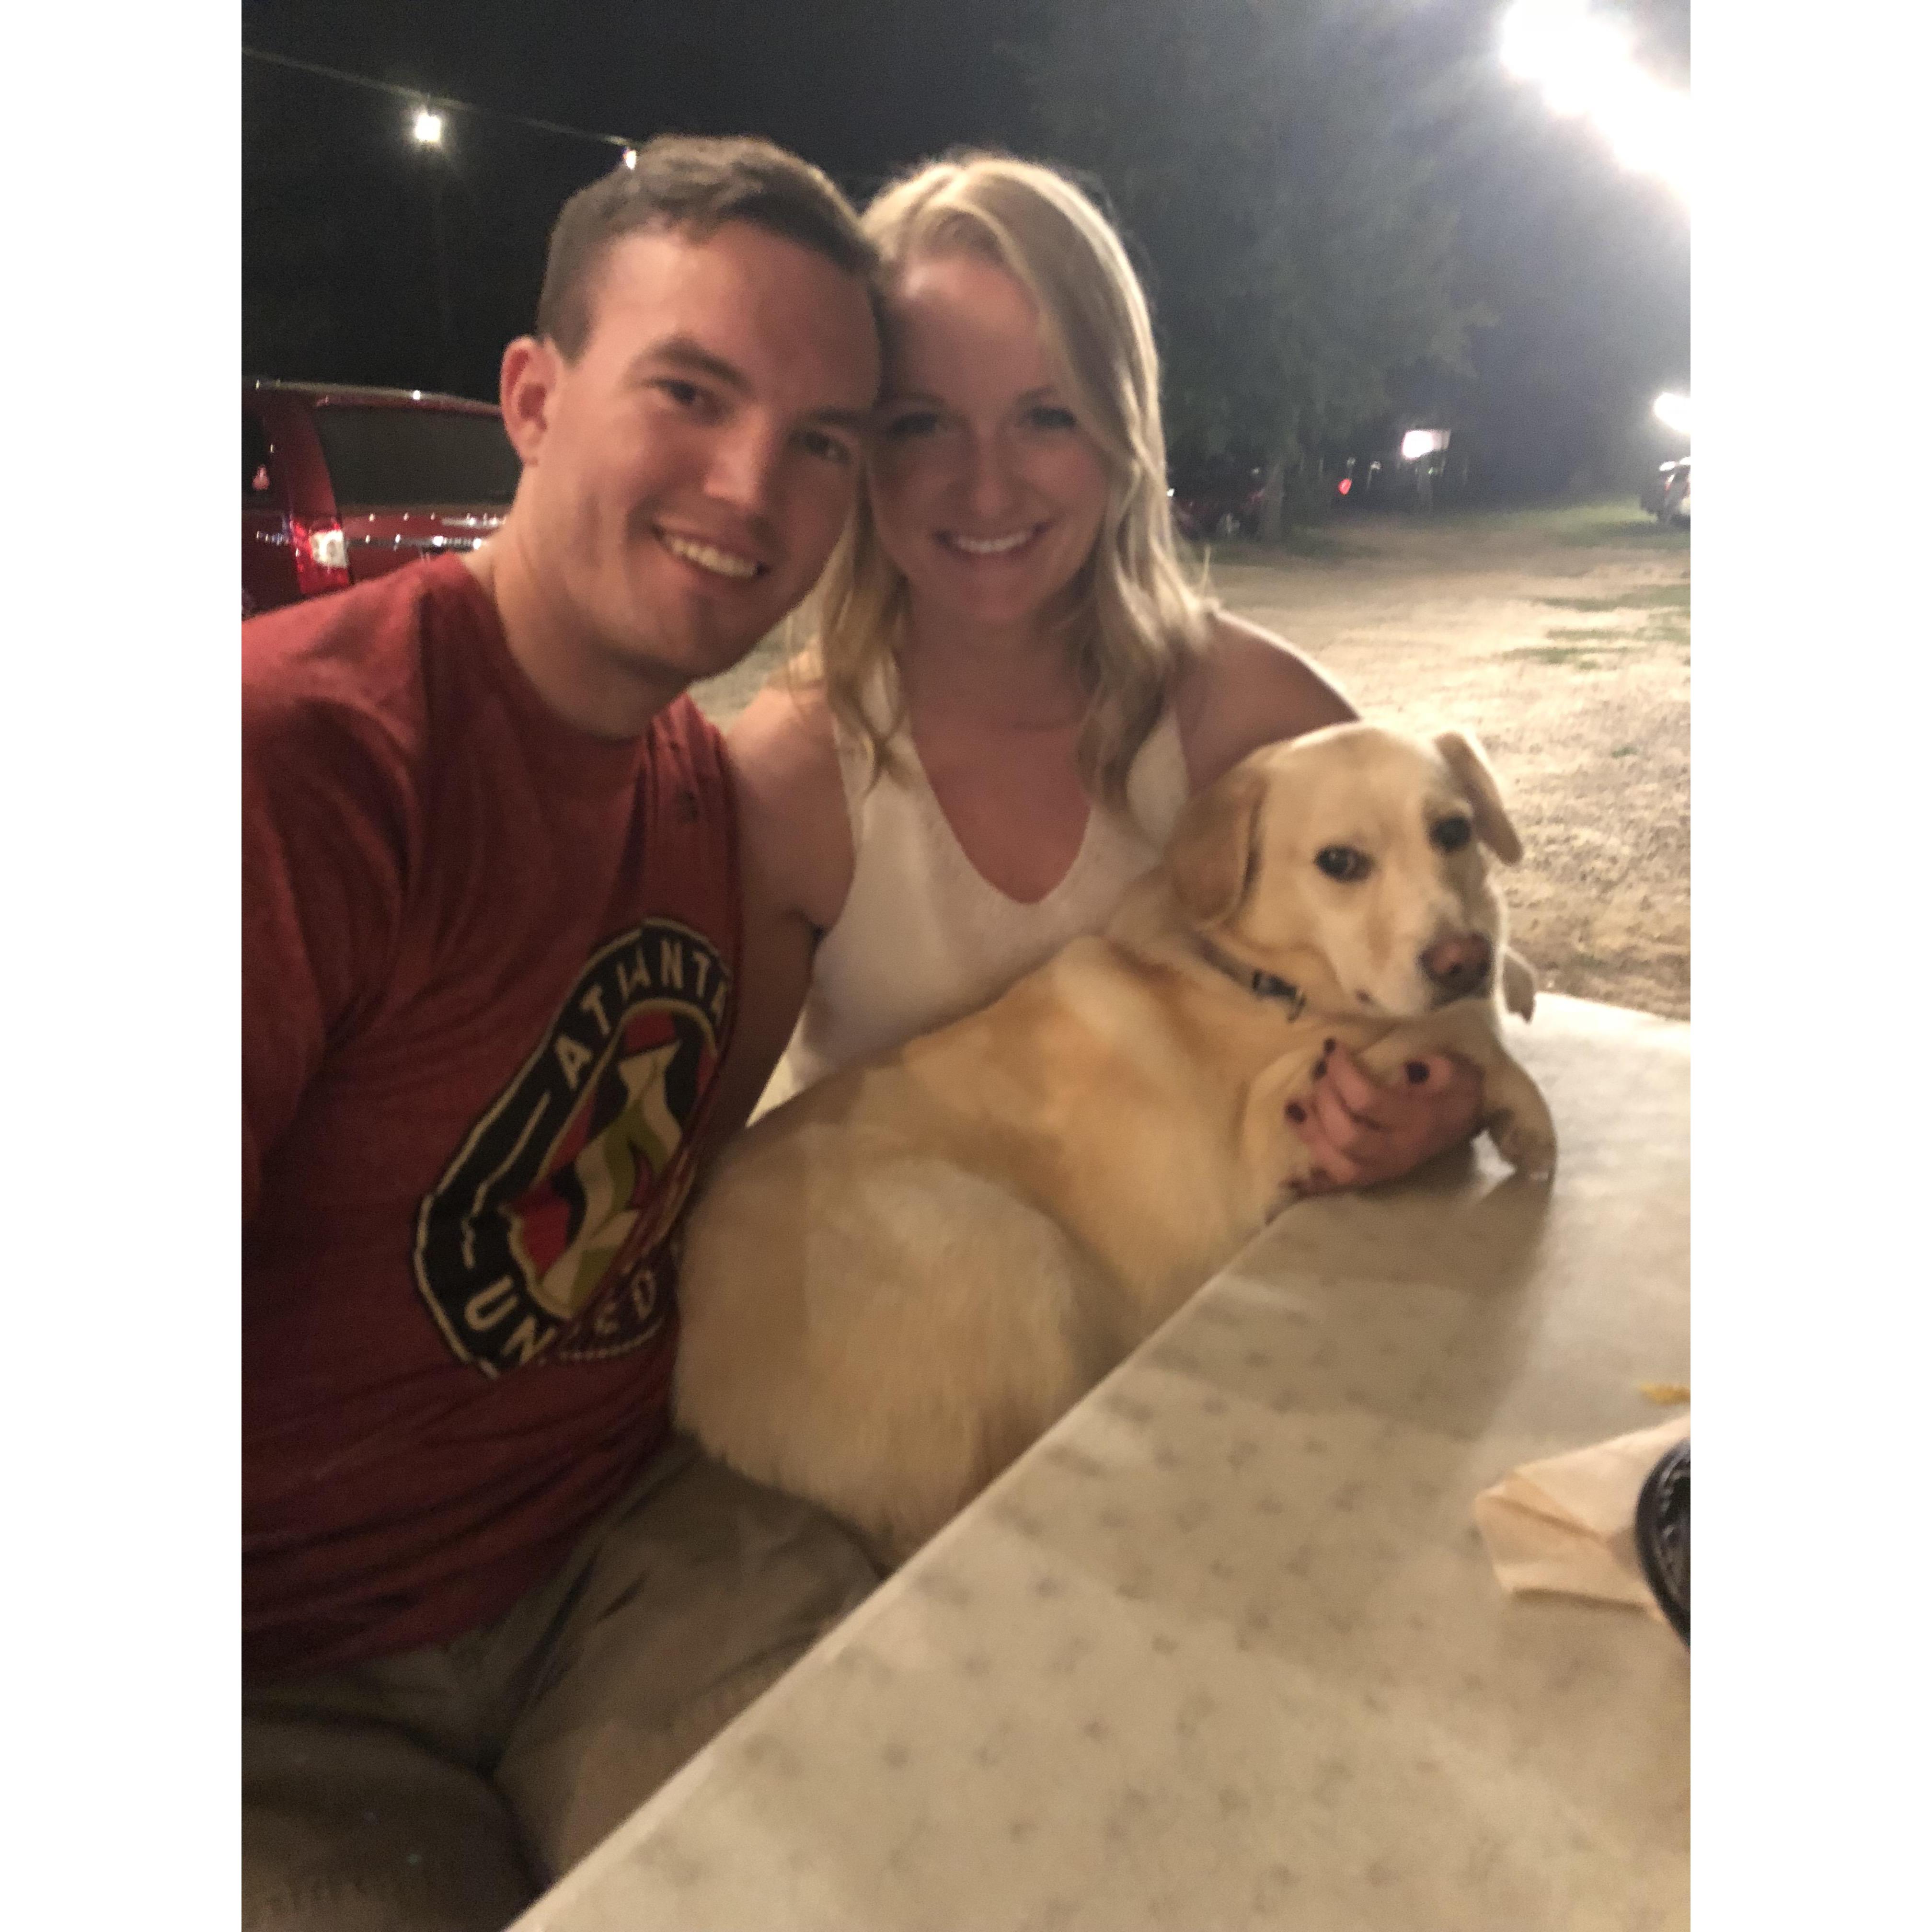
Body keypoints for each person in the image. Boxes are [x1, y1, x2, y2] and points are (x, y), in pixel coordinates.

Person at [242, 137, 887, 1931]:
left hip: (630, 1557)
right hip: (273, 1678)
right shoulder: (294, 771)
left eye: (824, 439)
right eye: (691, 390)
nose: (753, 486)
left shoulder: (714, 790)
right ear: (532, 397)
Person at [724, 152, 1487, 1177]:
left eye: (1047, 415)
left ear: (1125, 430)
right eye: (922, 423)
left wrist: (1449, 1098)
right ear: (856, 446)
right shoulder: (795, 772)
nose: (986, 490)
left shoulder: (1260, 715)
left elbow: (1448, 974)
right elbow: (681, 1170)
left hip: (1226, 1318)